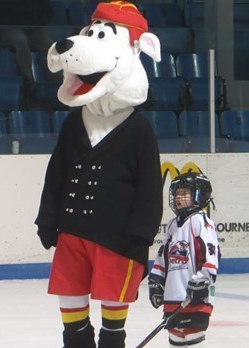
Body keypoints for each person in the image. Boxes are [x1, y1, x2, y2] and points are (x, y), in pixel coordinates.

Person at [34, 2, 163, 347]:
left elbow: (149, 186)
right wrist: (47, 219)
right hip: (72, 231)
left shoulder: (138, 129)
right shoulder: (75, 121)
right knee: (72, 319)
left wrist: (142, 232)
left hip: (117, 237)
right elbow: (57, 172)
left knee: (112, 327)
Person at [148, 172, 220, 348]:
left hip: (194, 294)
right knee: (176, 335)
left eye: (184, 193)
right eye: (177, 193)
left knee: (192, 333)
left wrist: (202, 282)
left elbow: (210, 256)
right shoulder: (173, 224)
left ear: (199, 195)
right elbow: (162, 256)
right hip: (173, 294)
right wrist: (157, 281)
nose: (179, 197)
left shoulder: (201, 222)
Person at [0, 0, 56, 91]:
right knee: (21, 41)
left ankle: (56, 79)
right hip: (10, 28)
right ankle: (29, 82)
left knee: (48, 44)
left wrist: (35, 24)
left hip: (34, 29)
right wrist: (15, 24)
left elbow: (48, 13)